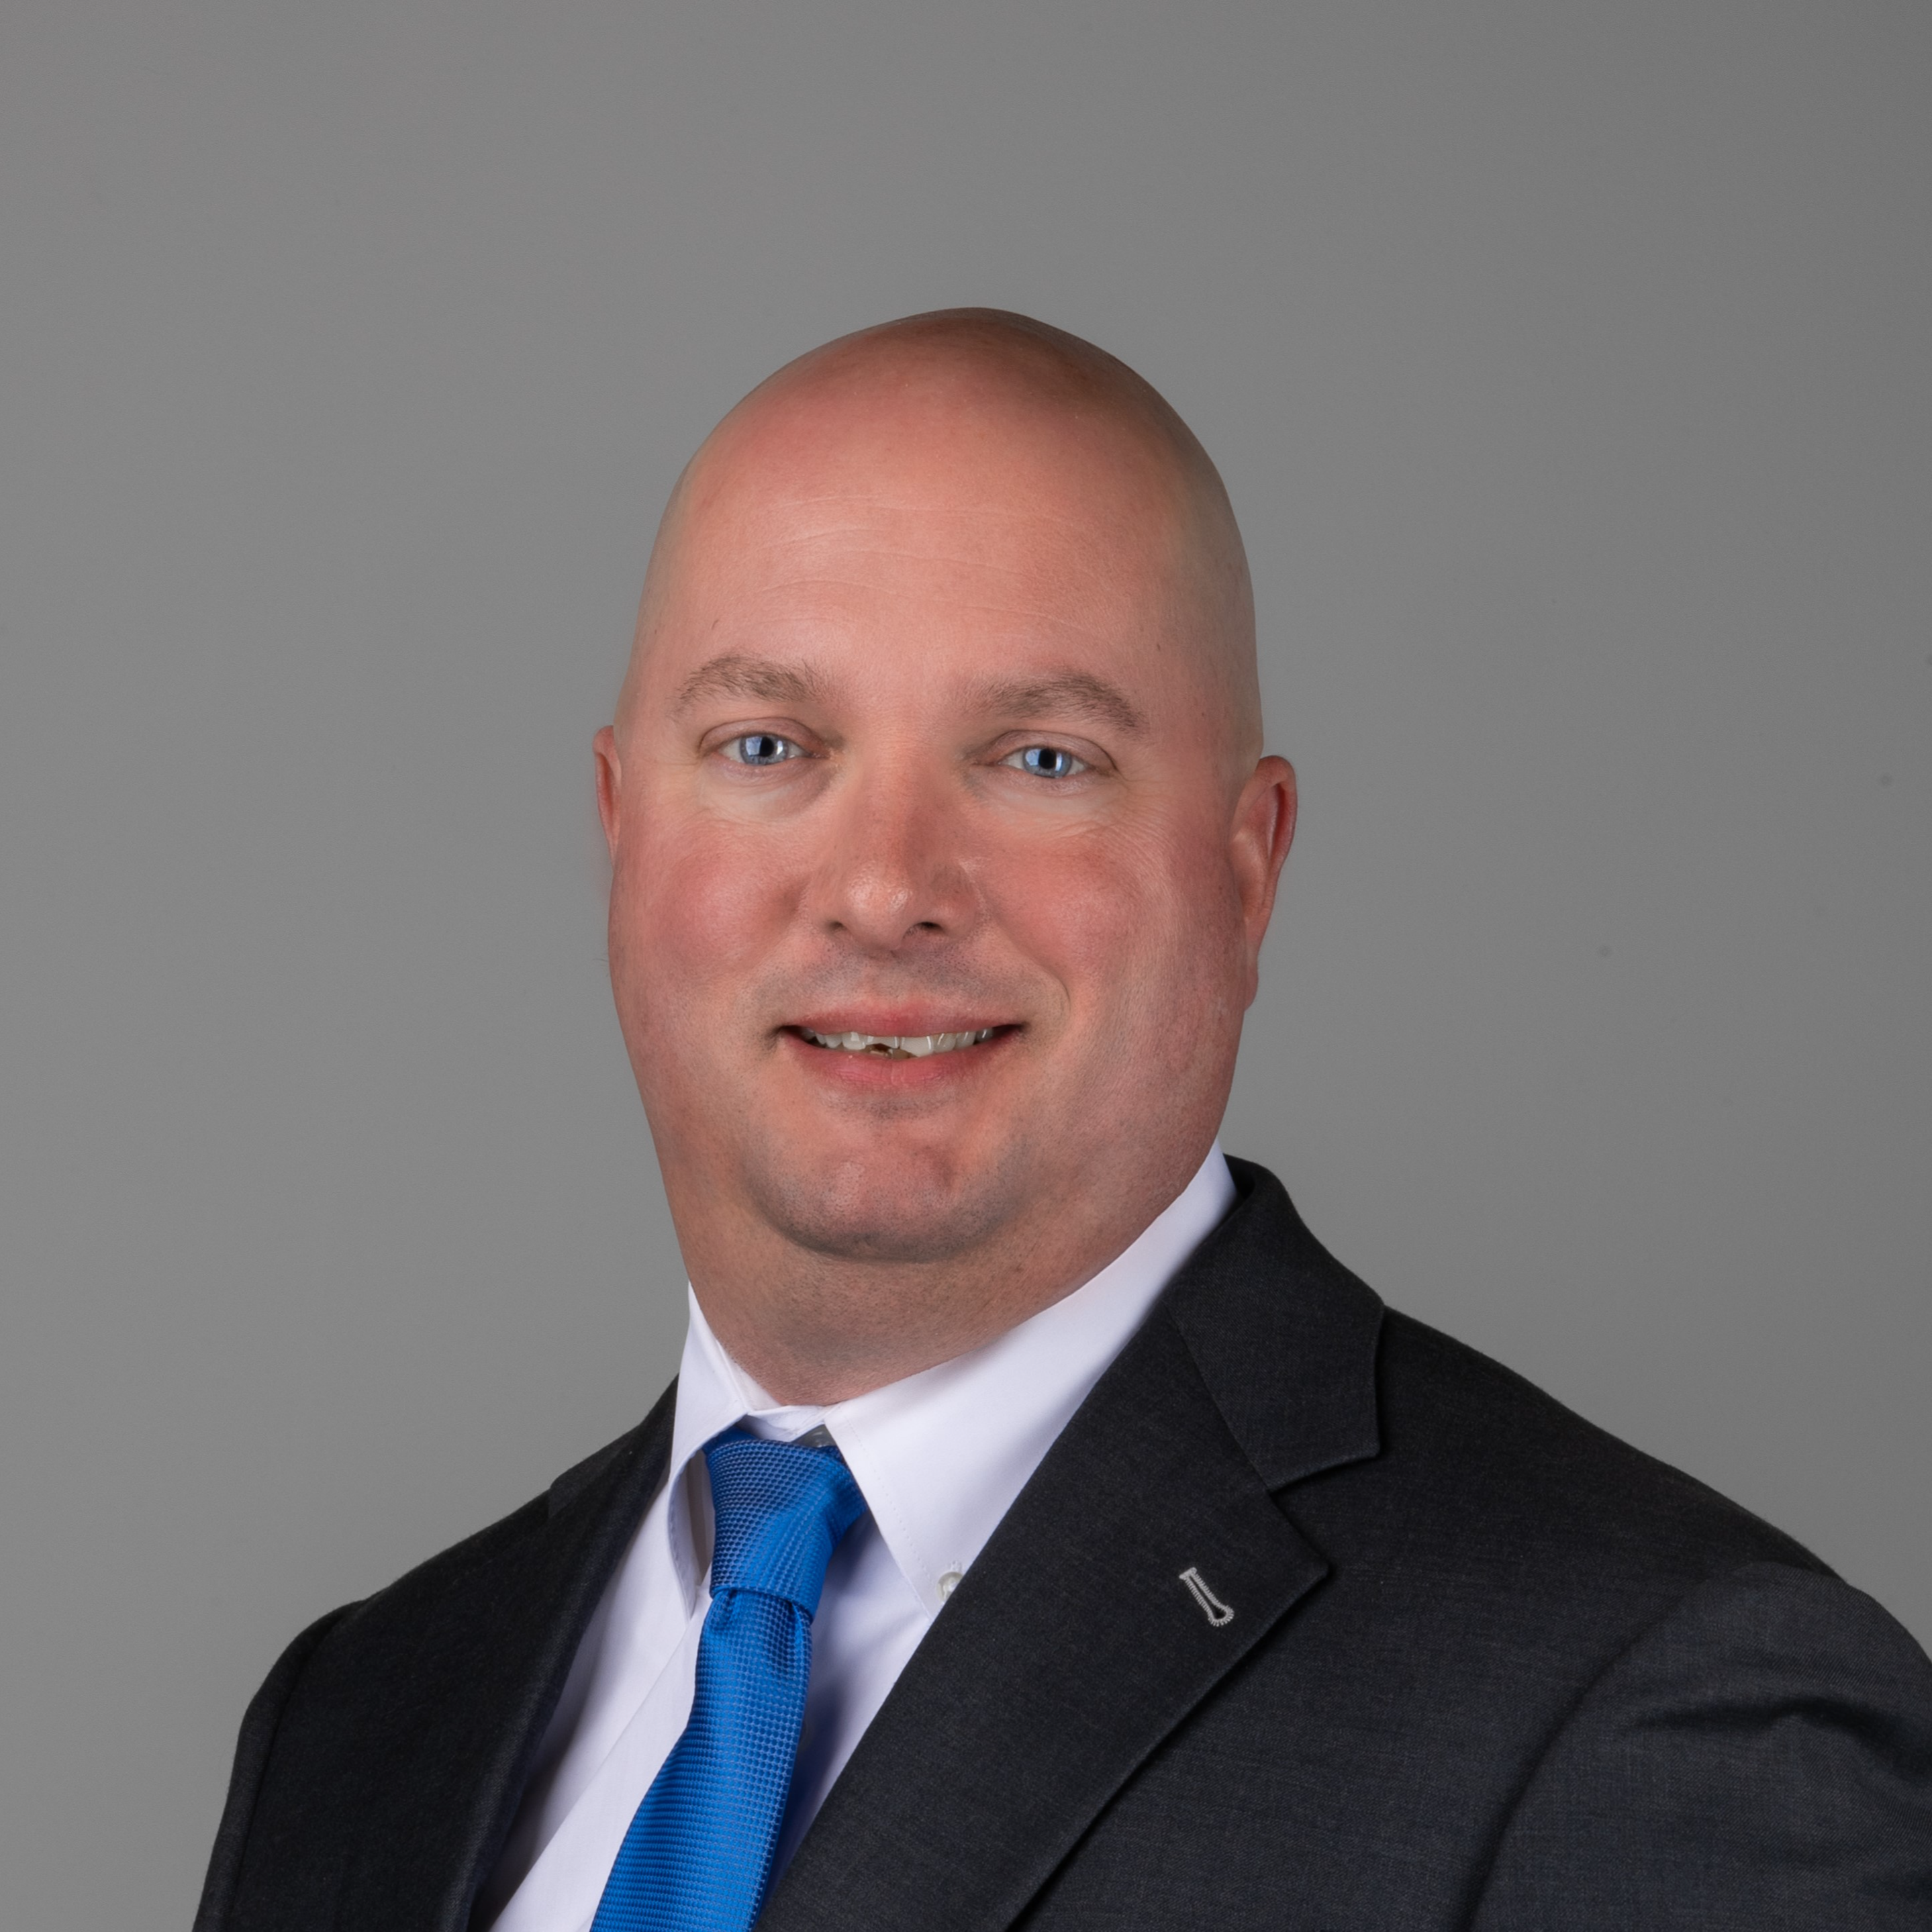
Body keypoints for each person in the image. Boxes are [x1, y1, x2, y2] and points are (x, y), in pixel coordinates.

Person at [195, 310, 1932, 1932]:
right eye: (766, 742)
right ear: (619, 831)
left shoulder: (1657, 1723)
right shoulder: (362, 1718)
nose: (882, 886)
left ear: (1245, 871)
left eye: (1038, 759)